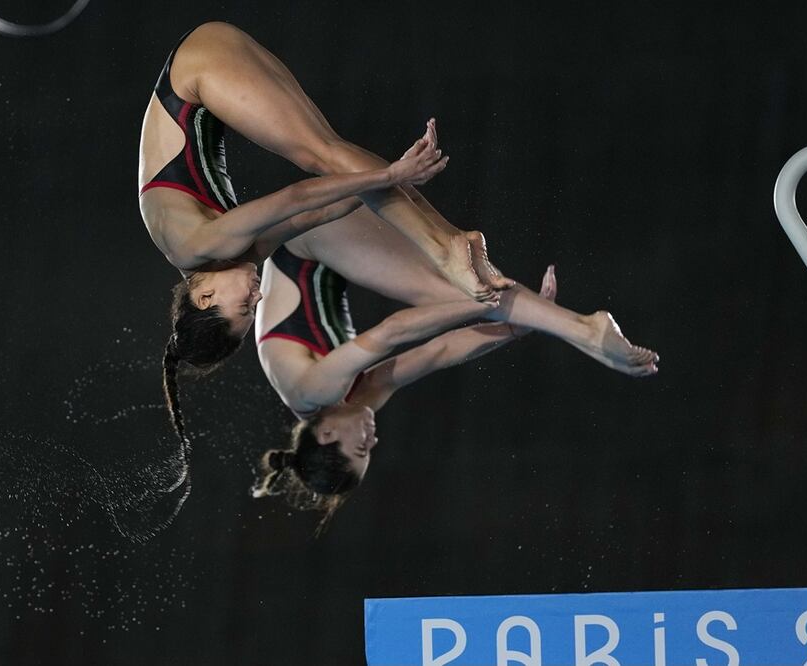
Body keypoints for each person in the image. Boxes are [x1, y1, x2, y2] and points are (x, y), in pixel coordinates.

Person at [140, 23, 514, 454]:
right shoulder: (232, 257)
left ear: (204, 299)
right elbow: (319, 212)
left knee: (318, 154)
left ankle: (447, 247)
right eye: (253, 309)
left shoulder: (197, 247)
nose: (258, 299)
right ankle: (451, 241)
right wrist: (378, 184)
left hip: (194, 72)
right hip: (206, 62)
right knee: (332, 156)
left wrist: (390, 175)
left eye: (243, 305)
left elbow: (295, 195)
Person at [249, 207, 658, 527]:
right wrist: (514, 329)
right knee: (466, 278)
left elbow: (395, 331)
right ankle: (572, 327)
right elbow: (438, 352)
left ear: (326, 433)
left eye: (360, 447)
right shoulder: (354, 404)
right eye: (370, 452)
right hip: (335, 245)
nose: (372, 440)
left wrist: (479, 304)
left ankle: (584, 329)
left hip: (306, 237)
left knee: (455, 290)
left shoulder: (310, 392)